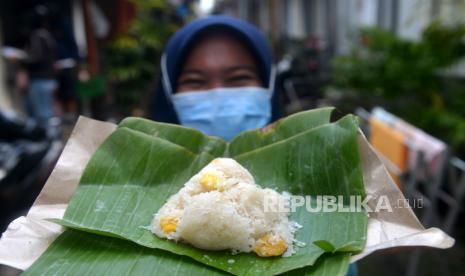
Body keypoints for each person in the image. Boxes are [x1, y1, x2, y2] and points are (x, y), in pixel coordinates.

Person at [151, 15, 281, 141]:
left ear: (268, 83)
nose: (218, 94)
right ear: (169, 89)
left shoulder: (298, 160)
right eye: (195, 81)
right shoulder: (139, 162)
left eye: (238, 78)